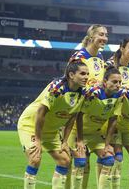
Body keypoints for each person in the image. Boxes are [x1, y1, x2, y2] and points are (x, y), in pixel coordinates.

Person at [17, 60, 89, 189]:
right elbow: (40, 113)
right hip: (30, 125)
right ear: (71, 75)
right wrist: (38, 140)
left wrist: (65, 141)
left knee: (65, 160)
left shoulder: (82, 93)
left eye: (87, 74)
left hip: (51, 130)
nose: (86, 77)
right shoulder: (57, 88)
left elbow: (72, 117)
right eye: (82, 73)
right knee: (35, 159)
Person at [68, 66, 123, 189]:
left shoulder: (119, 96)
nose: (118, 85)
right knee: (80, 162)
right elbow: (79, 115)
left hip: (95, 135)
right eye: (114, 82)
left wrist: (107, 144)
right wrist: (80, 140)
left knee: (109, 159)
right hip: (77, 133)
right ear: (104, 82)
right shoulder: (93, 94)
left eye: (120, 82)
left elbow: (113, 120)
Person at [105, 37, 129, 188]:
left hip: (127, 119)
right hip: (111, 118)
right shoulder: (109, 66)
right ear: (122, 48)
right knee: (116, 158)